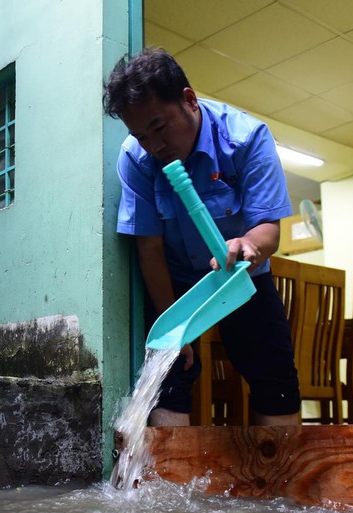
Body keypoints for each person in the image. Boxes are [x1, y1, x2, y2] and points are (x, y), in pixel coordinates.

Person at [104, 48, 301, 427]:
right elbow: (149, 247)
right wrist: (176, 328)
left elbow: (269, 231)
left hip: (242, 276)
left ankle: (281, 481)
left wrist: (249, 246)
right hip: (175, 277)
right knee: (169, 372)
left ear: (189, 100)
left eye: (159, 128)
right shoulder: (137, 158)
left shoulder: (247, 139)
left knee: (274, 376)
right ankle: (165, 483)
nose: (153, 146)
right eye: (140, 134)